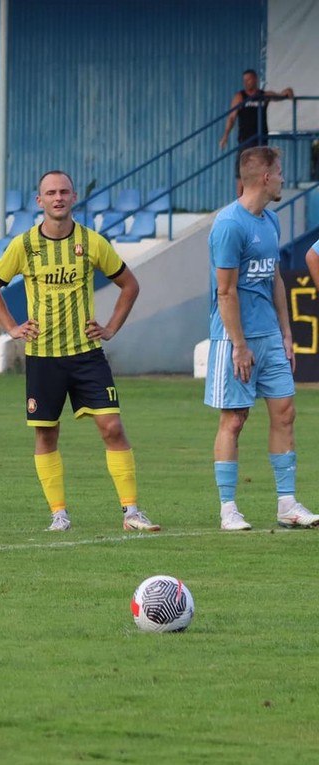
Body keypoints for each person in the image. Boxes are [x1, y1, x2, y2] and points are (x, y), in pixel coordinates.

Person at [0, 170, 158, 533]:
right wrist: (12, 327)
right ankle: (59, 514)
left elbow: (129, 285)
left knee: (112, 427)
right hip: (43, 356)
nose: (57, 198)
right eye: (50, 193)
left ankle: (131, 512)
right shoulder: (24, 245)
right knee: (46, 434)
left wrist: (110, 328)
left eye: (63, 191)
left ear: (74, 197)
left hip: (86, 355)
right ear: (39, 201)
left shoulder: (92, 242)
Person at [209, 147, 319, 531]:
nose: (285, 179)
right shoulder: (229, 225)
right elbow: (226, 292)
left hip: (271, 336)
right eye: (281, 172)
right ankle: (228, 509)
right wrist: (239, 345)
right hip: (234, 339)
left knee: (285, 413)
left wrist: (287, 335)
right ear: (266, 177)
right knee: (235, 419)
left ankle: (287, 504)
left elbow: (272, 278)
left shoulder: (270, 221)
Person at [219, 69, 294, 195]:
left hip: (261, 141)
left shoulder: (263, 95)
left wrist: (286, 93)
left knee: (262, 172)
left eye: (250, 79)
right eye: (245, 80)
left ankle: (258, 202)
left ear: (256, 80)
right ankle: (241, 204)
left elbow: (280, 96)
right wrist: (225, 136)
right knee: (242, 174)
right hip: (245, 141)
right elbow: (231, 118)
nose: (247, 82)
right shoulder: (240, 97)